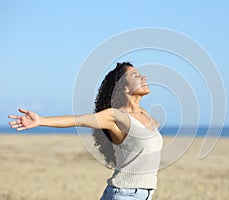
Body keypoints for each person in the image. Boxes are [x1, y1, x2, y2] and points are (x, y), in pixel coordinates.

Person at [8, 62, 163, 200]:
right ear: (123, 86)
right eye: (136, 75)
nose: (144, 78)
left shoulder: (144, 114)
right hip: (124, 194)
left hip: (145, 194)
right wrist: (41, 120)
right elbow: (79, 120)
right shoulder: (115, 115)